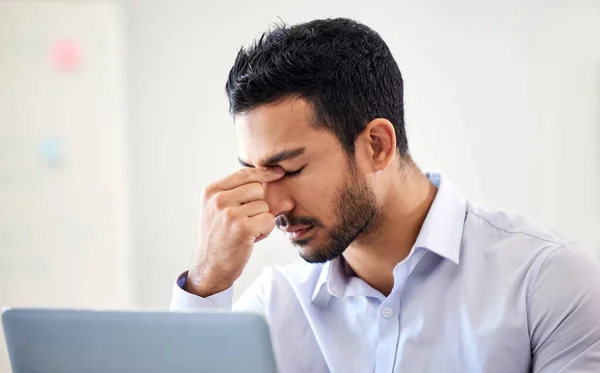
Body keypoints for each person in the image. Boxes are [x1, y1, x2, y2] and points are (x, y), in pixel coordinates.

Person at [170, 18, 600, 372]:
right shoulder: (274, 305)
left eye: (292, 169)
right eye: (256, 174)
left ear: (377, 144)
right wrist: (207, 281)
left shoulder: (544, 280)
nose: (275, 205)